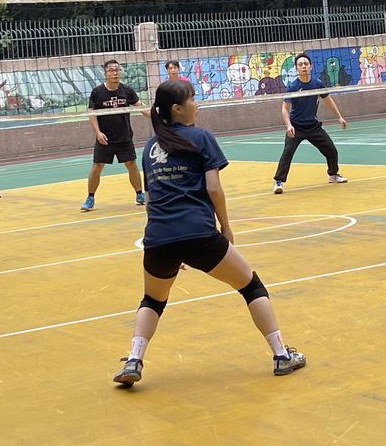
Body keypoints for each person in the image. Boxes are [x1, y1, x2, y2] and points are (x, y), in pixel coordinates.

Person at [112, 79, 305, 386]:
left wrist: (172, 245)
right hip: (199, 234)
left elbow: (151, 197)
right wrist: (226, 227)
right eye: (192, 99)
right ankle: (282, 355)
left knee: (152, 300)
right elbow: (214, 188)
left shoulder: (150, 146)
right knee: (251, 287)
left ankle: (134, 360)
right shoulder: (201, 137)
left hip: (158, 238)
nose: (197, 104)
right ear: (177, 108)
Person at [272, 53, 348, 195]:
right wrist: (289, 125)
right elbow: (285, 109)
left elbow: (328, 100)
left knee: (331, 150)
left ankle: (333, 175)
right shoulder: (293, 86)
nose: (303, 66)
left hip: (313, 126)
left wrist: (339, 117)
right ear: (296, 68)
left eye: (306, 64)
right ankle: (279, 182)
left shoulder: (317, 84)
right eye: (300, 64)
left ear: (311, 66)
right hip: (296, 127)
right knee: (287, 153)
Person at [82, 60, 148, 212]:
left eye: (117, 69)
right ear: (105, 73)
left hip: (124, 137)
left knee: (132, 165)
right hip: (105, 138)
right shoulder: (97, 92)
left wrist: (157, 117)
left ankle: (139, 194)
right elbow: (92, 114)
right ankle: (90, 198)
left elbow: (141, 107)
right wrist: (98, 133)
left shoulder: (127, 91)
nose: (115, 73)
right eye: (111, 70)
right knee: (97, 166)